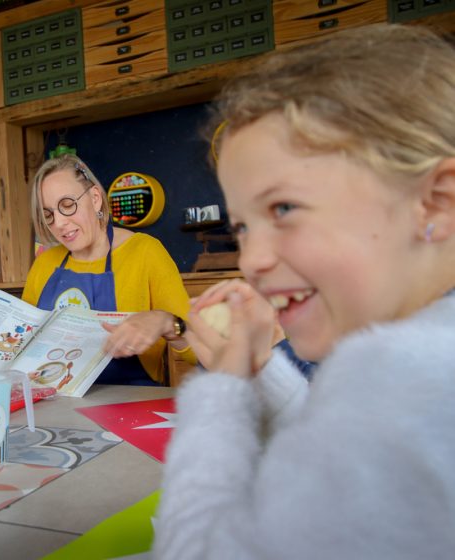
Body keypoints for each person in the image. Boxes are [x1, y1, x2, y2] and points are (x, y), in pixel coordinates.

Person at [154, 23, 455, 559]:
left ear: (436, 202)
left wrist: (223, 389)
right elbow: (350, 454)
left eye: (284, 209)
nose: (251, 260)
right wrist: (258, 366)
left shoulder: (396, 372)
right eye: (243, 227)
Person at [22, 154, 196, 385]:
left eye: (67, 205)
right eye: (48, 215)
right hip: (56, 401)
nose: (59, 223)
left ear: (95, 198)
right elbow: (22, 344)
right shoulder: (45, 263)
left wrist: (166, 322)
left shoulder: (145, 252)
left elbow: (199, 352)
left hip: (131, 403)